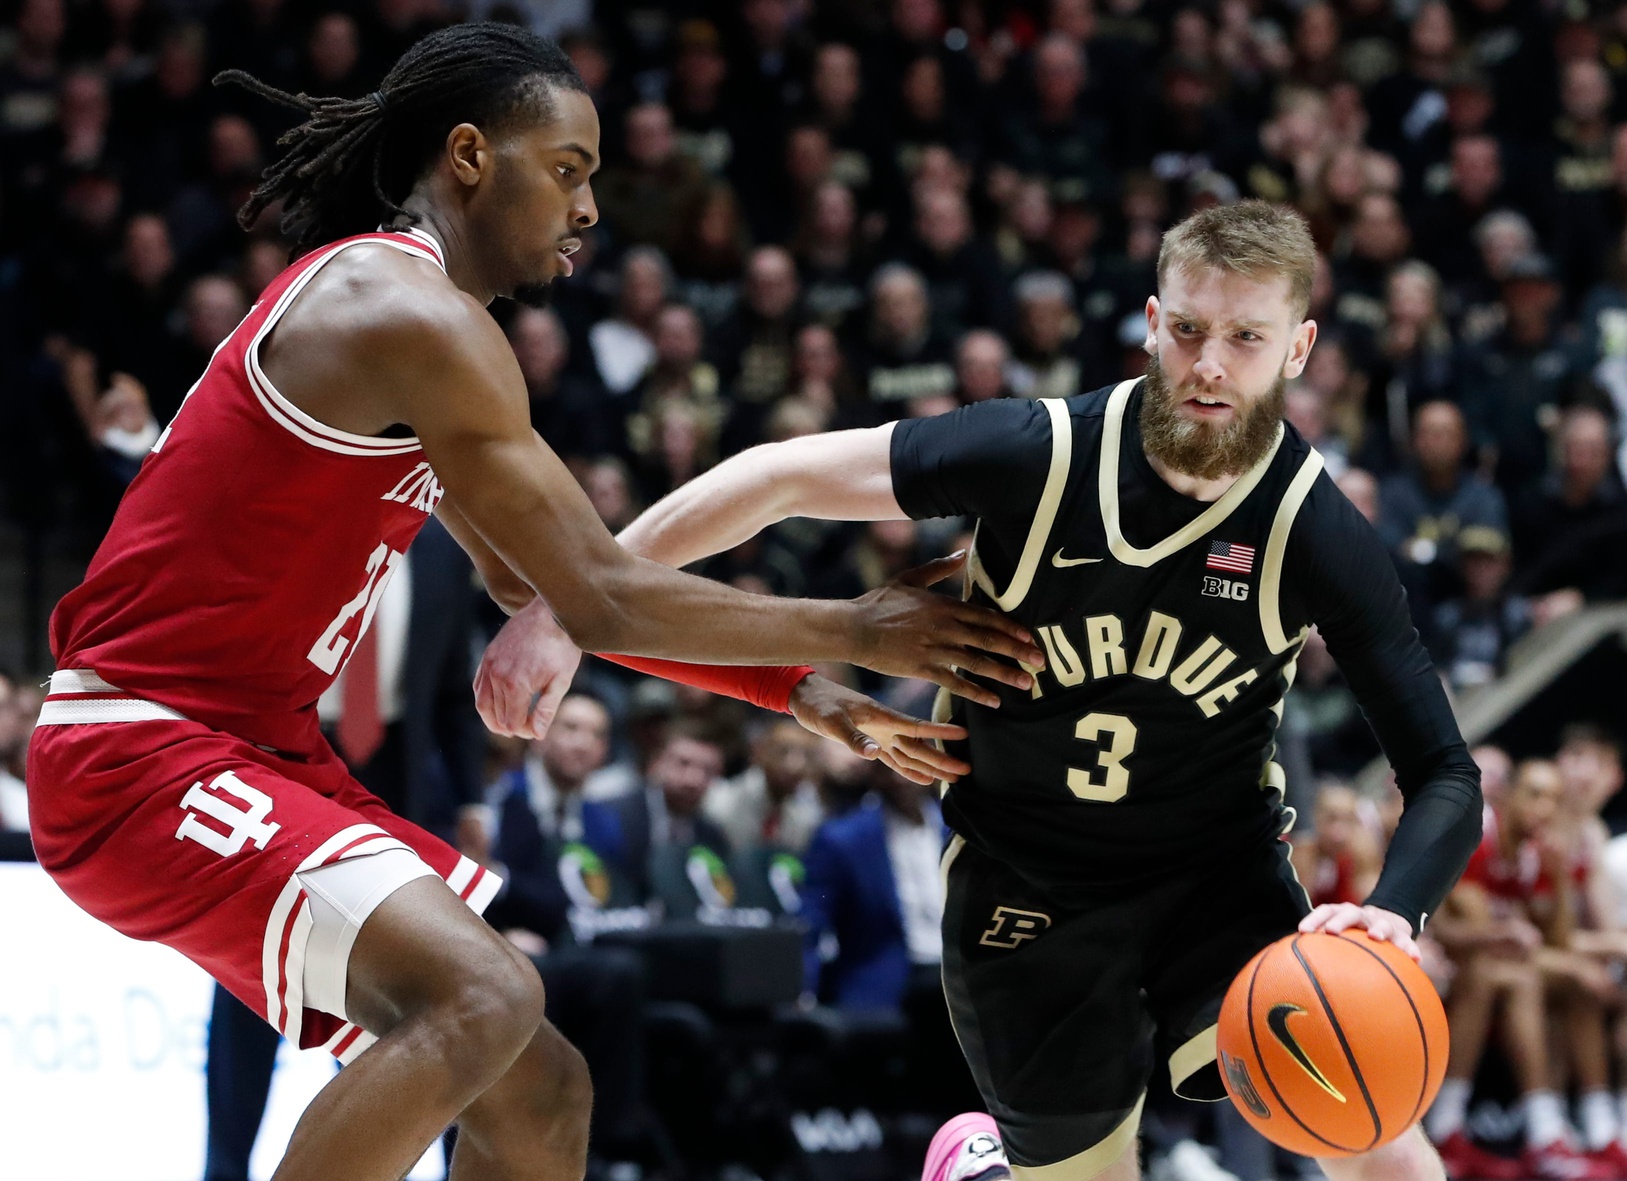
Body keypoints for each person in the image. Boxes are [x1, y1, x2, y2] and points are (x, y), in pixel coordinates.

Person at [25, 24, 1041, 1181]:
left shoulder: (422, 324)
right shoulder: (400, 309)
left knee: (542, 1078)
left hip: (249, 748)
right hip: (139, 747)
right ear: (469, 155)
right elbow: (600, 595)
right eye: (566, 167)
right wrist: (854, 627)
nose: (590, 206)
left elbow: (539, 586)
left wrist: (795, 686)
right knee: (480, 992)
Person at [605, 201, 1484, 1181]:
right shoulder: (1039, 450)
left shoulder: (1309, 527)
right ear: (1151, 321)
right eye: (1188, 329)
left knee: (1380, 1145)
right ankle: (982, 1165)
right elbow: (776, 474)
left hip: (1213, 879)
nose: (1207, 363)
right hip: (1024, 884)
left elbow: (1445, 768)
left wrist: (1396, 908)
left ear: (1297, 348)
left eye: (1245, 337)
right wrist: (573, 600)